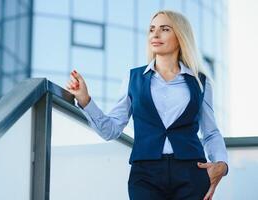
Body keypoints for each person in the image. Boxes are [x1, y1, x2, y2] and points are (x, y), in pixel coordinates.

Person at [66, 10, 228, 200]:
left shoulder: (200, 82)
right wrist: (85, 100)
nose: (155, 34)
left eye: (164, 29)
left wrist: (221, 165)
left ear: (180, 36)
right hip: (145, 174)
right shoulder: (133, 78)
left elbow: (211, 132)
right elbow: (110, 130)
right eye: (152, 29)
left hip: (191, 171)